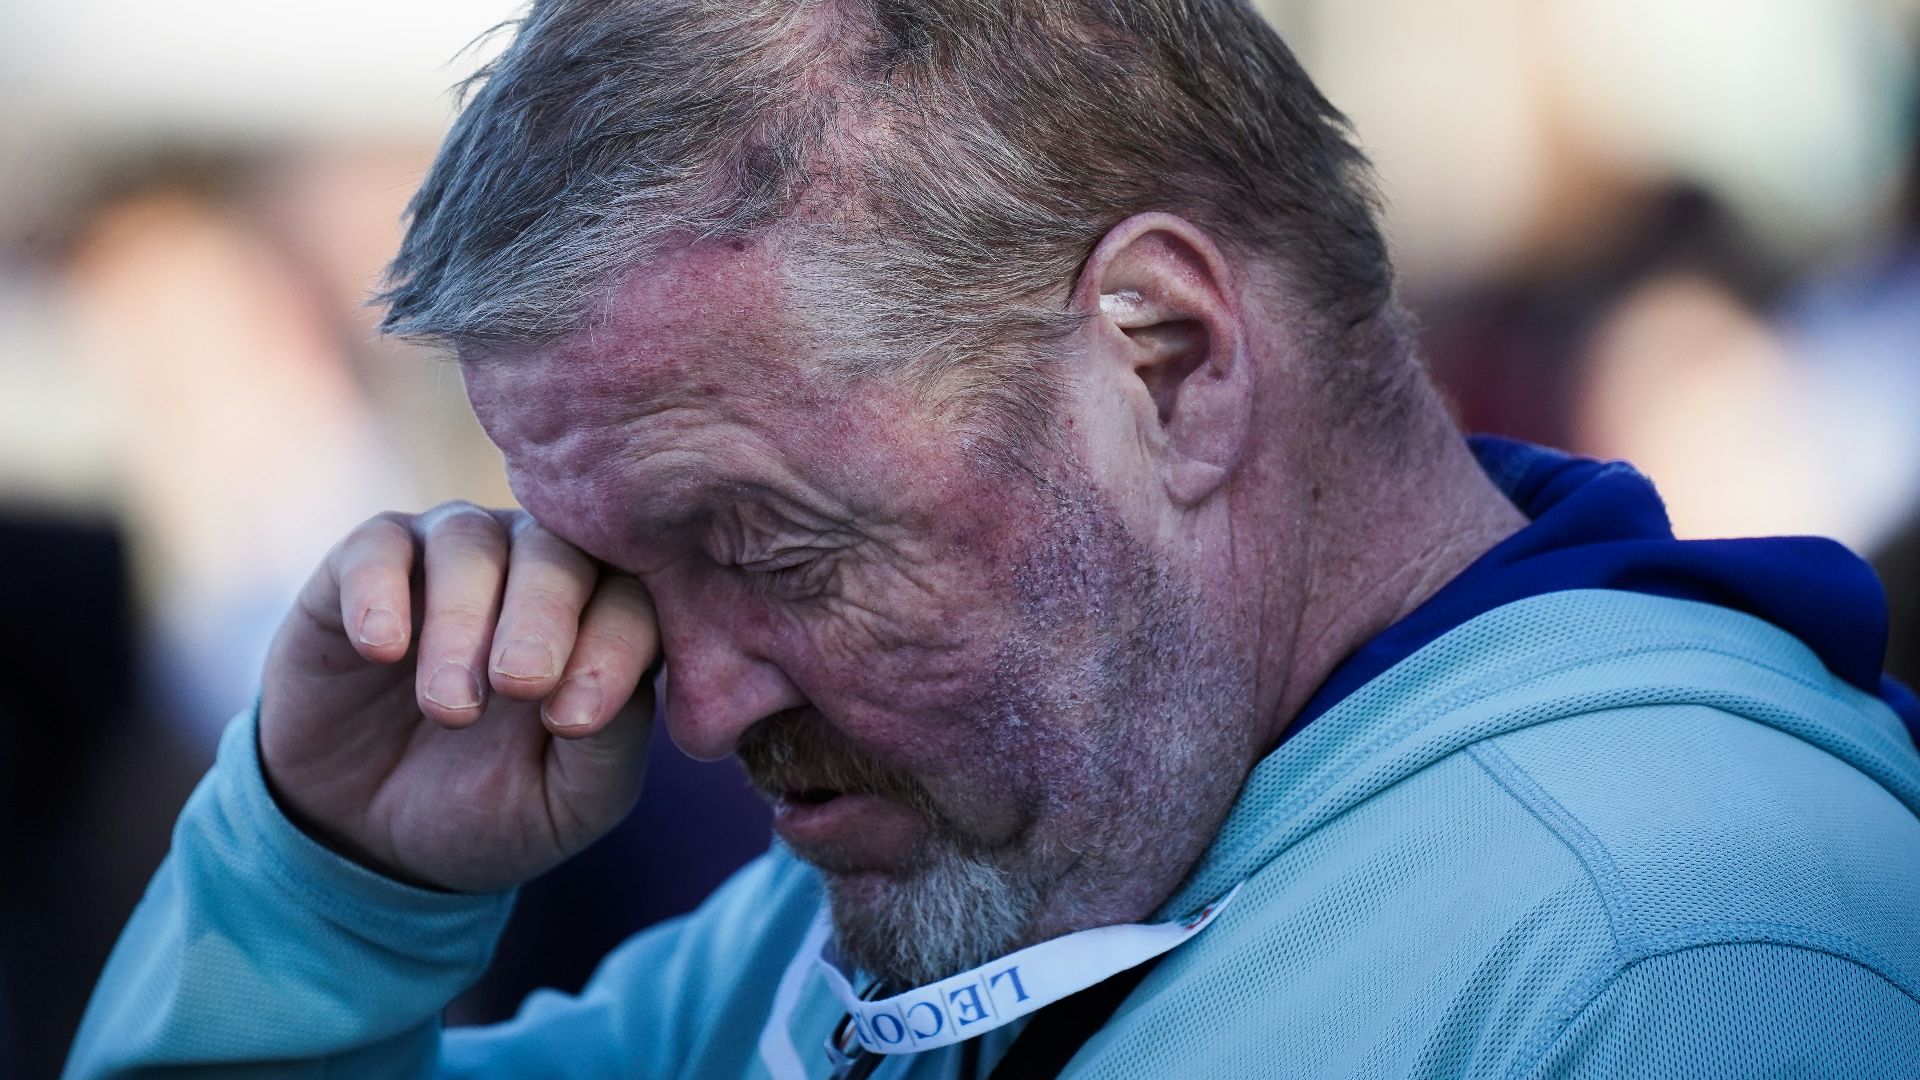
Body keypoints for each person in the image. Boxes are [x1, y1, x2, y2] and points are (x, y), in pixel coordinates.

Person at [65, 2, 1920, 1076]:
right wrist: (323, 886)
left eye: (773, 547)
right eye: (621, 567)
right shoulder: (895, 917)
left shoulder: (1676, 952)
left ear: (1169, 360)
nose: (689, 706)